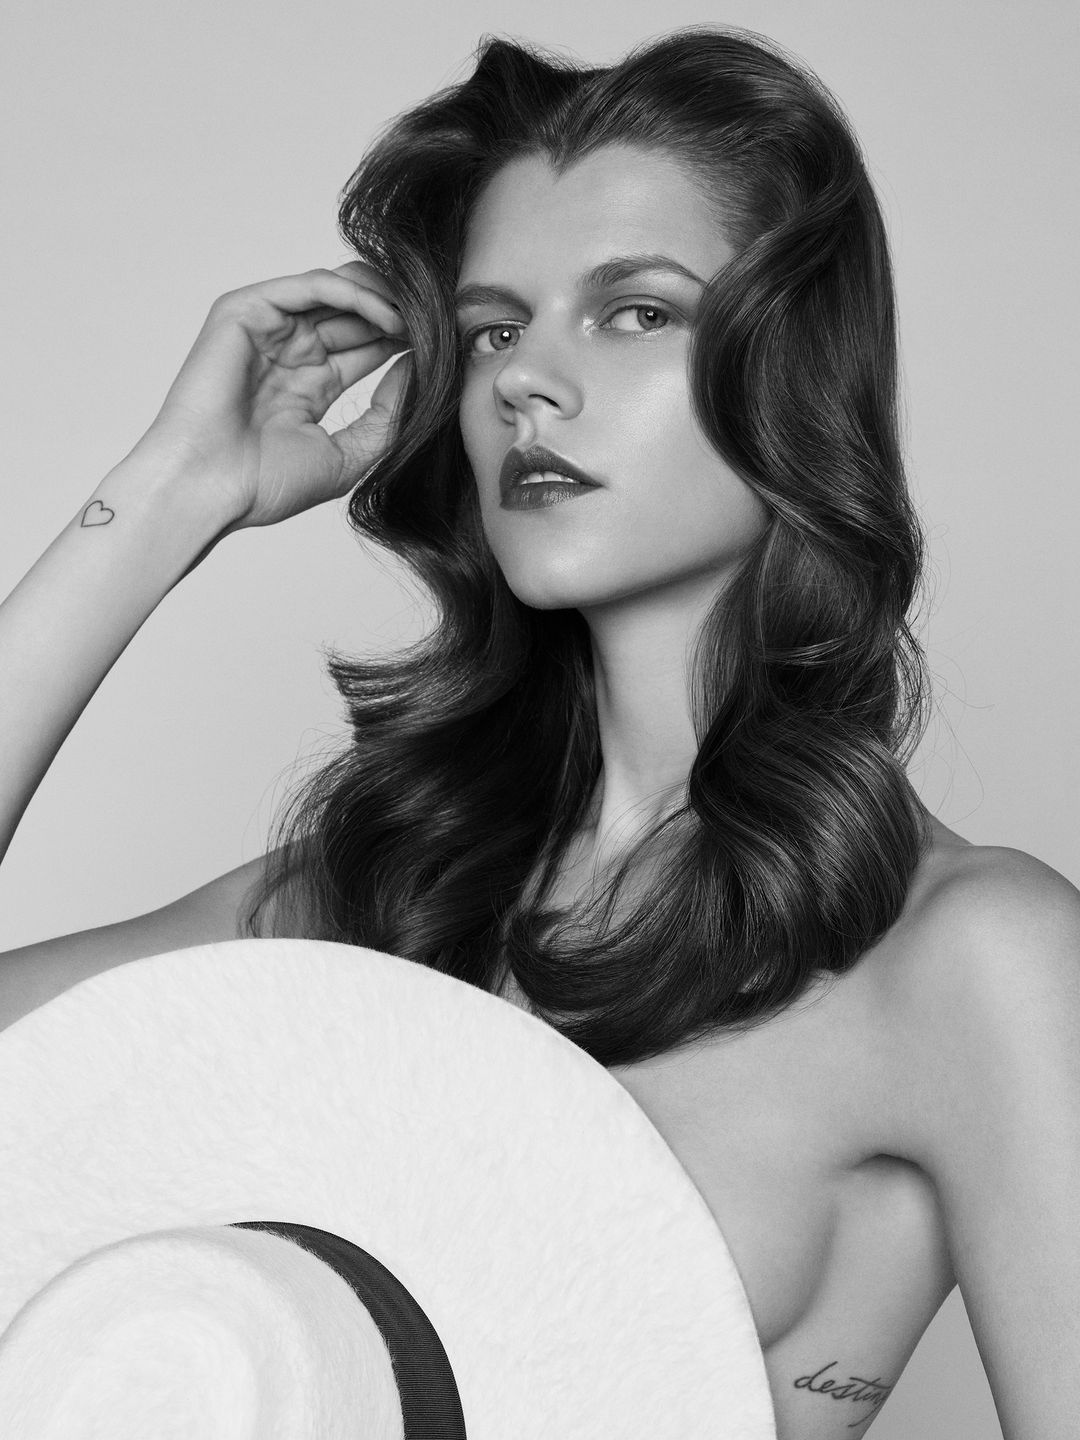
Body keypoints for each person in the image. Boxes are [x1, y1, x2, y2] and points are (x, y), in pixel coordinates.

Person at [1, 25, 1076, 1438]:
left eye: (634, 312)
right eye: (495, 330)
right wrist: (165, 500)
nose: (524, 381)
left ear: (793, 368)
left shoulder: (969, 957)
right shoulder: (373, 895)